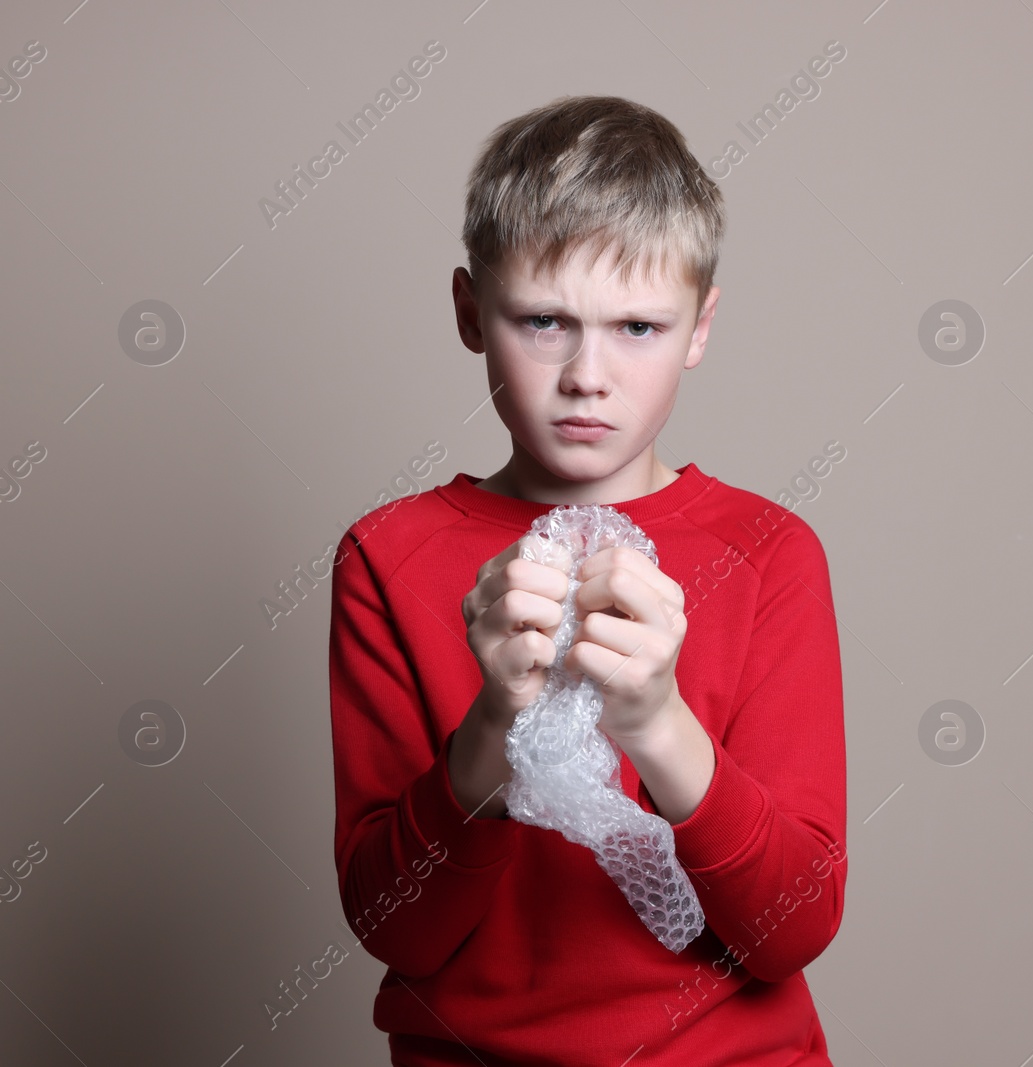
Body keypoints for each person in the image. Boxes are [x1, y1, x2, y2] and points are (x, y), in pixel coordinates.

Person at [327, 95, 848, 1066]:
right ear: (469, 312)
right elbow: (397, 927)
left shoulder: (771, 551)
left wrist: (655, 721)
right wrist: (492, 724)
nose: (587, 374)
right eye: (543, 321)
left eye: (639, 327)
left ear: (700, 327)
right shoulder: (386, 557)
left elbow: (793, 925)